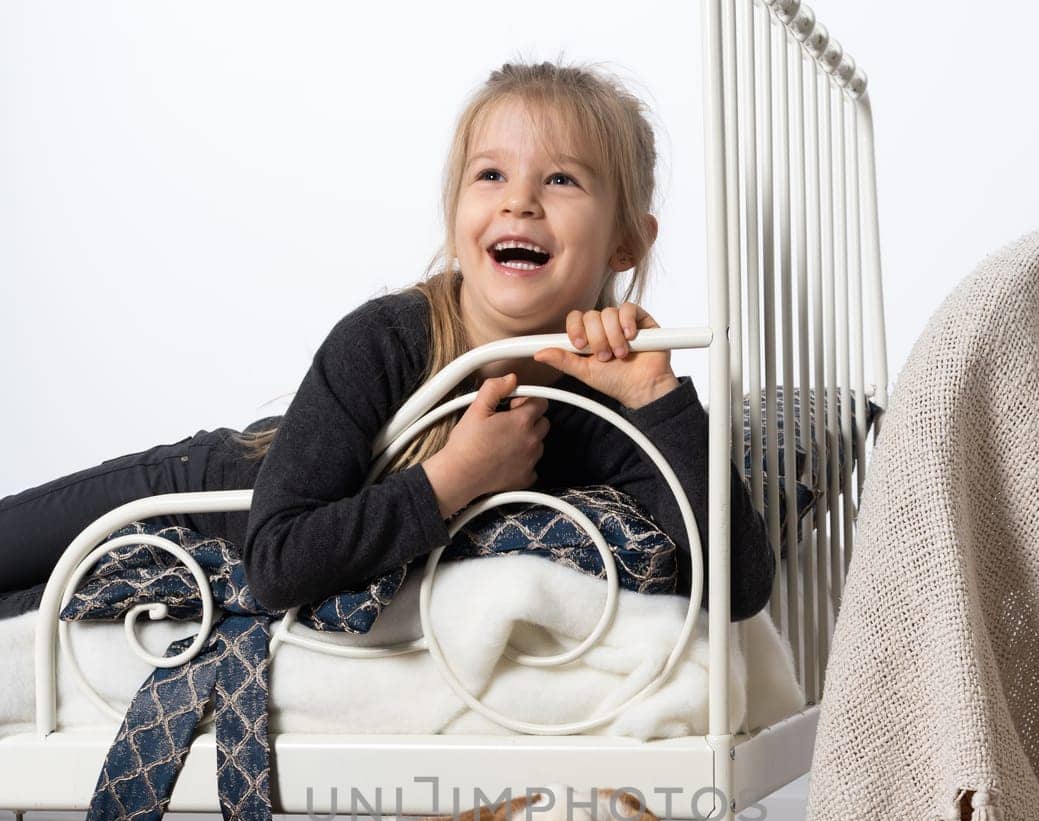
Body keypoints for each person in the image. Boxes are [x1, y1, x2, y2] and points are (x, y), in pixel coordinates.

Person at [0, 60, 773, 625]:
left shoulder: (612, 397)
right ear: (455, 214)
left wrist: (658, 402)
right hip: (197, 494)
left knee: (24, 619)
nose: (522, 202)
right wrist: (453, 477)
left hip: (190, 571)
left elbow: (740, 588)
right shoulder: (387, 337)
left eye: (563, 180)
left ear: (627, 241)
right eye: (491, 175)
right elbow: (276, 560)